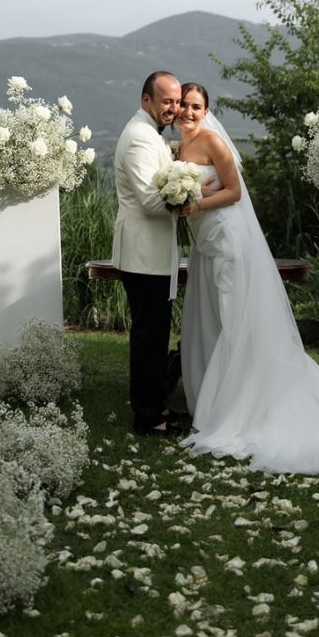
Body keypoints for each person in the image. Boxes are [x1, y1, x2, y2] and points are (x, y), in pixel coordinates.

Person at [175, 81, 319, 474]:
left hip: (227, 238)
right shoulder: (180, 148)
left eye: (196, 106)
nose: (189, 113)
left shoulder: (212, 141)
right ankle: (216, 397)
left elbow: (233, 192)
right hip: (205, 243)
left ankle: (240, 406)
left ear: (206, 110)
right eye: (184, 106)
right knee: (213, 320)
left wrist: (197, 203)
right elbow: (205, 184)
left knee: (235, 321)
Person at [112, 70, 188, 436]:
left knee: (155, 335)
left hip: (152, 253)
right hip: (143, 255)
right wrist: (190, 196)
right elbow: (150, 199)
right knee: (148, 337)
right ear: (147, 101)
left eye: (176, 101)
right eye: (166, 101)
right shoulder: (140, 139)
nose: (173, 108)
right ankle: (148, 417)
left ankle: (155, 406)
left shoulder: (149, 134)